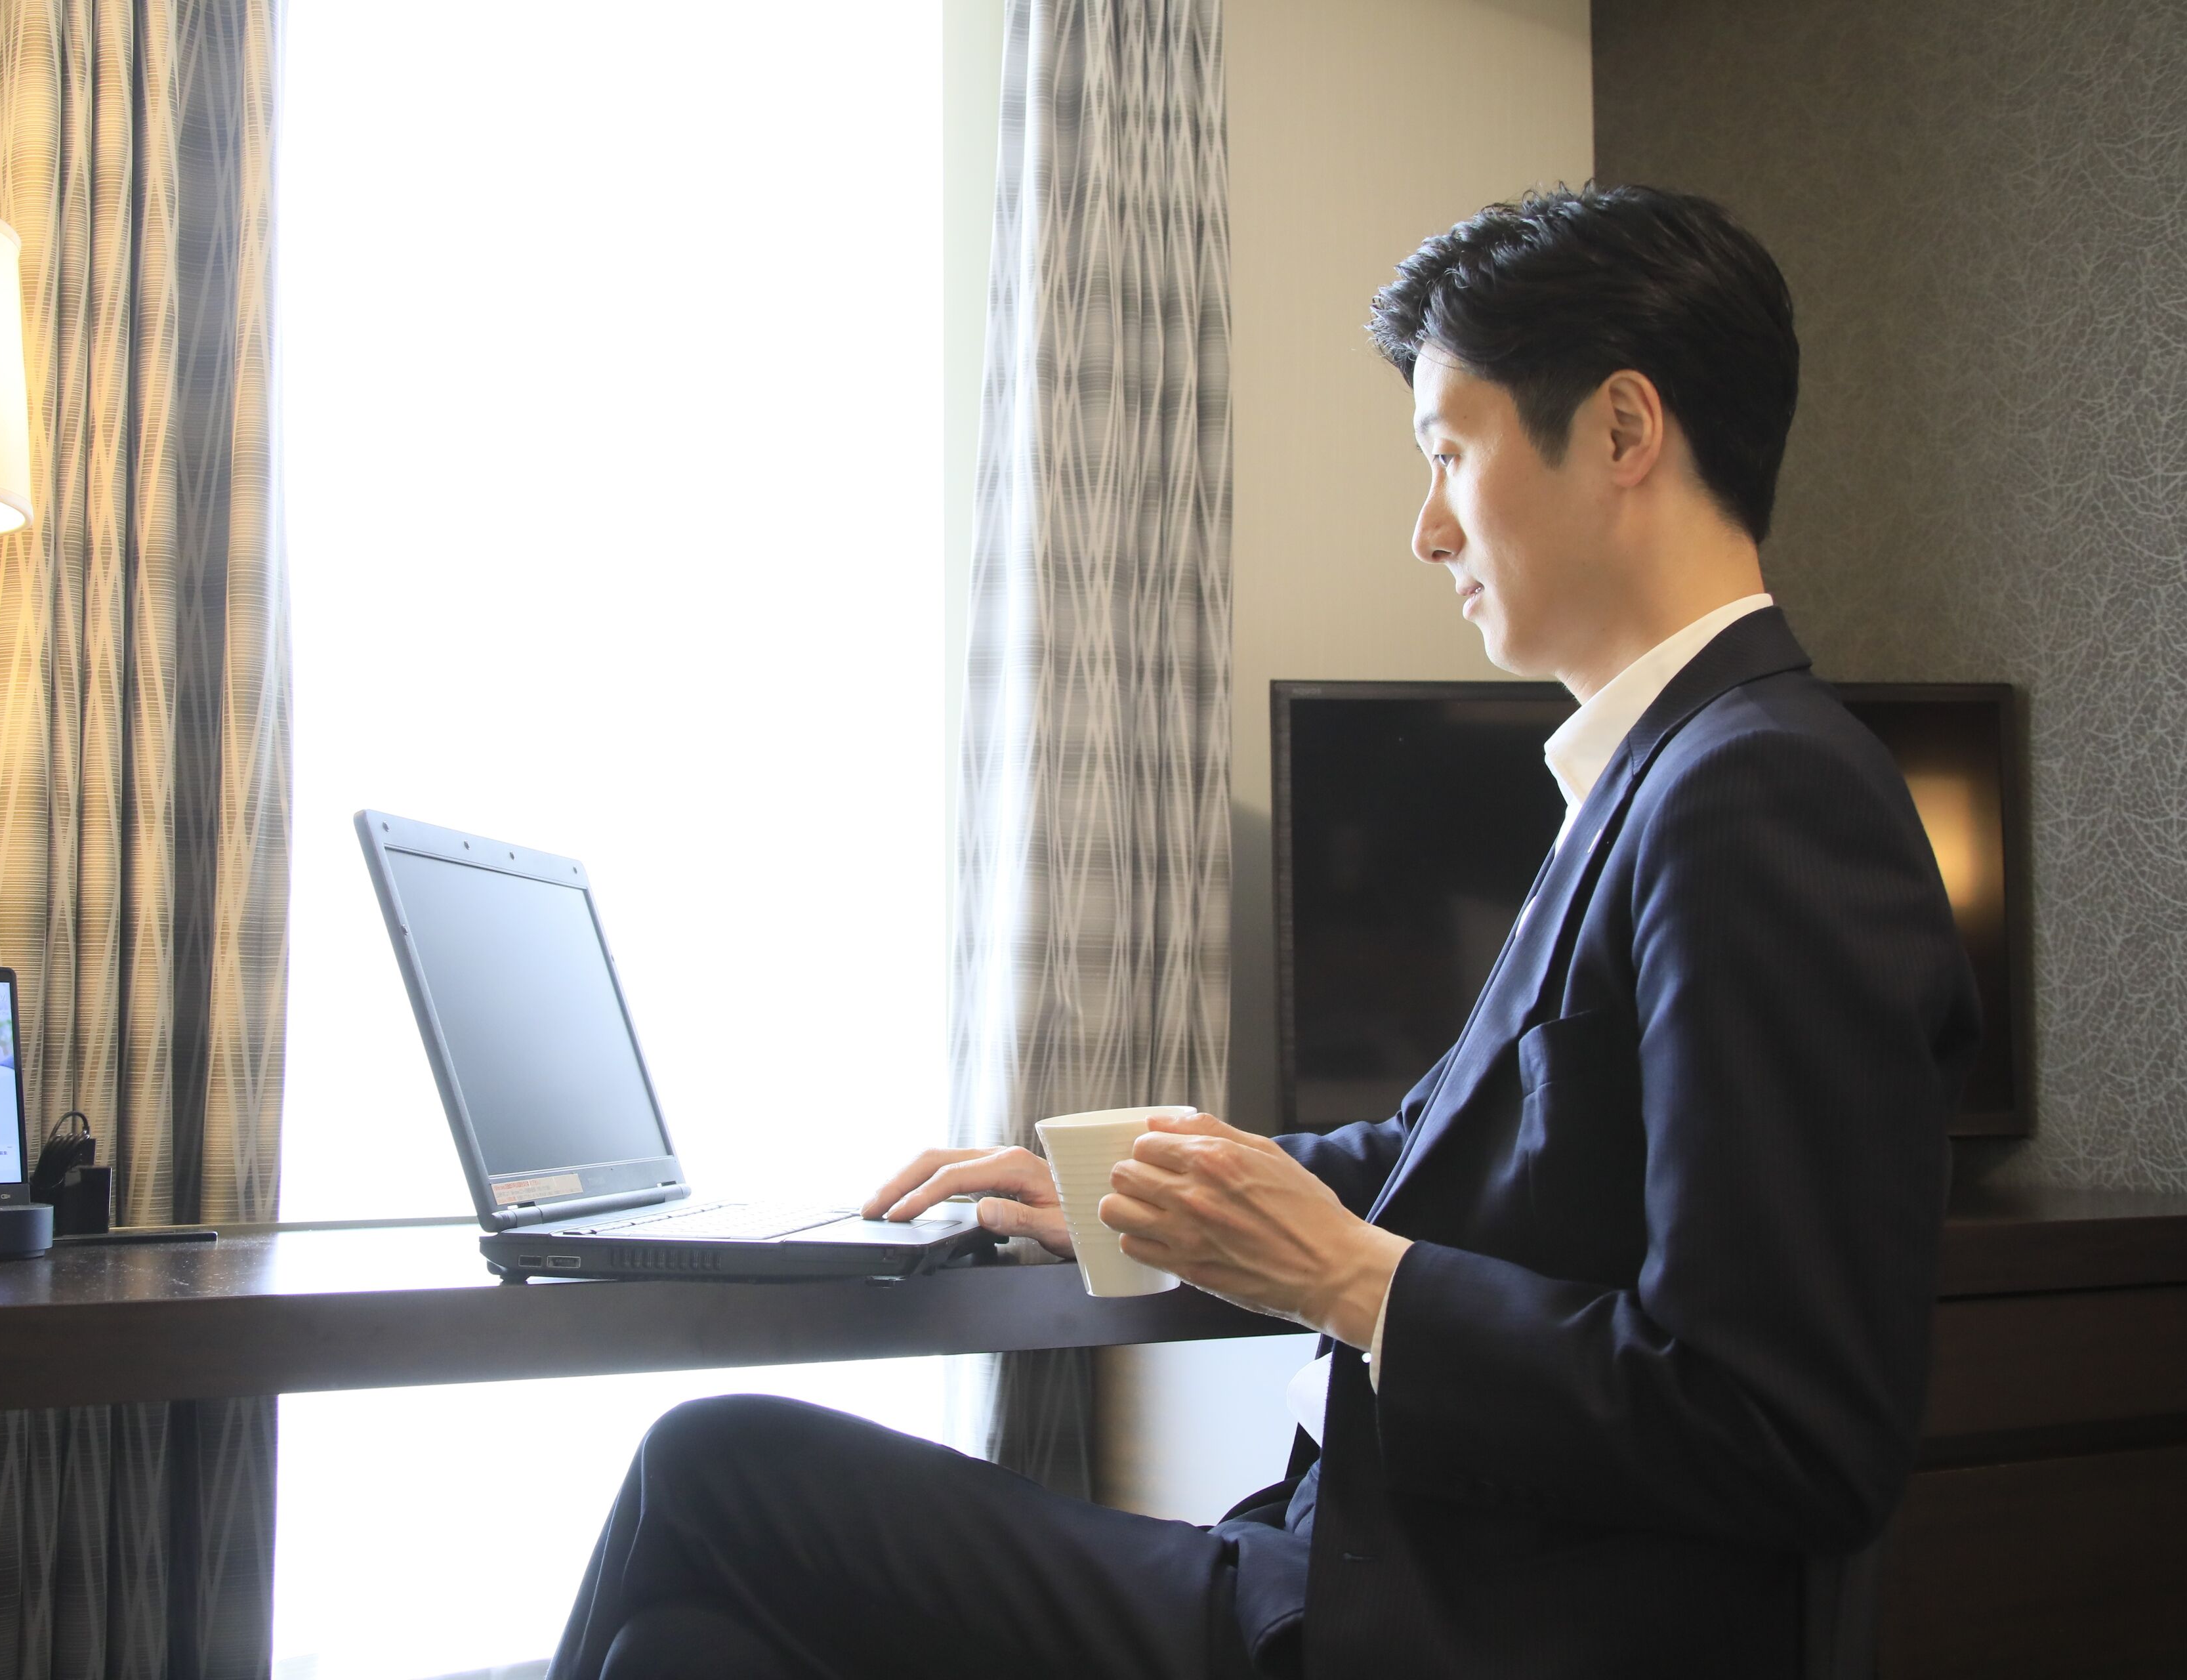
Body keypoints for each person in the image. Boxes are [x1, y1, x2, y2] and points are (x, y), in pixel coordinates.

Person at [546, 184, 1980, 1680]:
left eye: (1448, 450)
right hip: (1359, 1565)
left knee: (711, 1469)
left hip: (1442, 1626)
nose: (1426, 529)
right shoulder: (1660, 780)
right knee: (690, 1630)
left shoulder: (1760, 796)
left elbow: (1790, 1427)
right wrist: (1121, 1184)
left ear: (1624, 431)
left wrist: (1350, 1280)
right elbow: (1459, 1155)